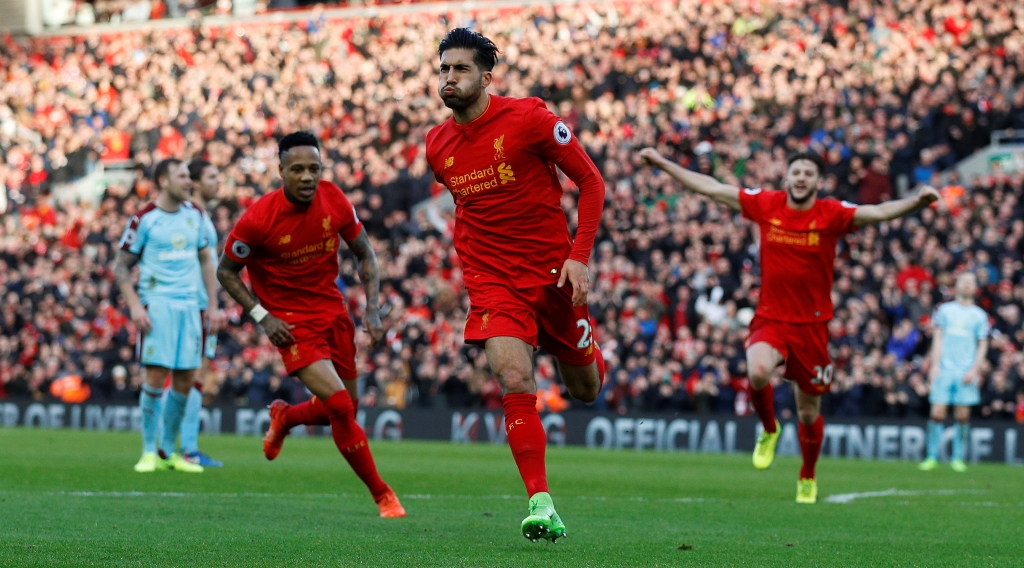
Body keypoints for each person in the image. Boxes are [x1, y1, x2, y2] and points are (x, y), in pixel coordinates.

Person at [637, 147, 939, 504]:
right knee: (758, 371)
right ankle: (769, 428)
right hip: (771, 318)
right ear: (787, 176)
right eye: (796, 171)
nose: (801, 178)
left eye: (808, 173)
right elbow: (712, 188)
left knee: (808, 411)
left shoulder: (830, 213)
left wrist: (916, 202)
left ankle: (807, 475)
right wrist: (663, 163)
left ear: (818, 181)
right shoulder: (767, 204)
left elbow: (877, 212)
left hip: (812, 327)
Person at [424, 28, 606, 542]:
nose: (449, 77)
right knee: (513, 378)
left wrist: (579, 258)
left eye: (461, 69)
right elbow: (468, 207)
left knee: (586, 390)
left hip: (553, 276)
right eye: (444, 69)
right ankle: (540, 502)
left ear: (486, 77)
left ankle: (587, 348)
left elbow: (591, 182)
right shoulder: (436, 144)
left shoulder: (529, 119)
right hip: (493, 282)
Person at [216, 131, 405, 518]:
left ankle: (286, 417)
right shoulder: (258, 219)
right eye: (298, 169)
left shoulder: (334, 198)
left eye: (314, 169)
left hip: (333, 313)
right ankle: (383, 494)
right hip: (290, 323)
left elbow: (365, 252)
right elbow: (226, 272)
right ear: (281, 170)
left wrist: (372, 309)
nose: (307, 176)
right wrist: (262, 316)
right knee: (340, 405)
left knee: (345, 408)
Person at [113, 158, 224, 473]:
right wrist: (135, 305)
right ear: (163, 181)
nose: (188, 182)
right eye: (182, 176)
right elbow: (121, 266)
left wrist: (212, 304)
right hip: (157, 304)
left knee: (186, 377)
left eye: (189, 176)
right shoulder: (144, 219)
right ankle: (149, 450)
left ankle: (168, 451)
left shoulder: (195, 215)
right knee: (156, 375)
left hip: (190, 306)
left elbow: (206, 260)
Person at [172, 159, 224, 467]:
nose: (218, 182)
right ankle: (185, 448)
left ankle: (180, 446)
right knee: (192, 375)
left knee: (194, 376)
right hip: (196, 305)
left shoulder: (200, 215)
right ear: (195, 182)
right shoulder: (190, 216)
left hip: (202, 303)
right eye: (212, 176)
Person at [919, 272, 989, 473]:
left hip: (966, 371)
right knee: (937, 413)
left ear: (975, 287)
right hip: (944, 369)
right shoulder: (945, 310)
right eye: (963, 281)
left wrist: (974, 369)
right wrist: (935, 365)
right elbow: (938, 338)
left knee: (962, 415)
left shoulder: (979, 315)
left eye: (970, 282)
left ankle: (958, 458)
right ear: (956, 285)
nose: (967, 285)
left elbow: (982, 344)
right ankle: (931, 456)